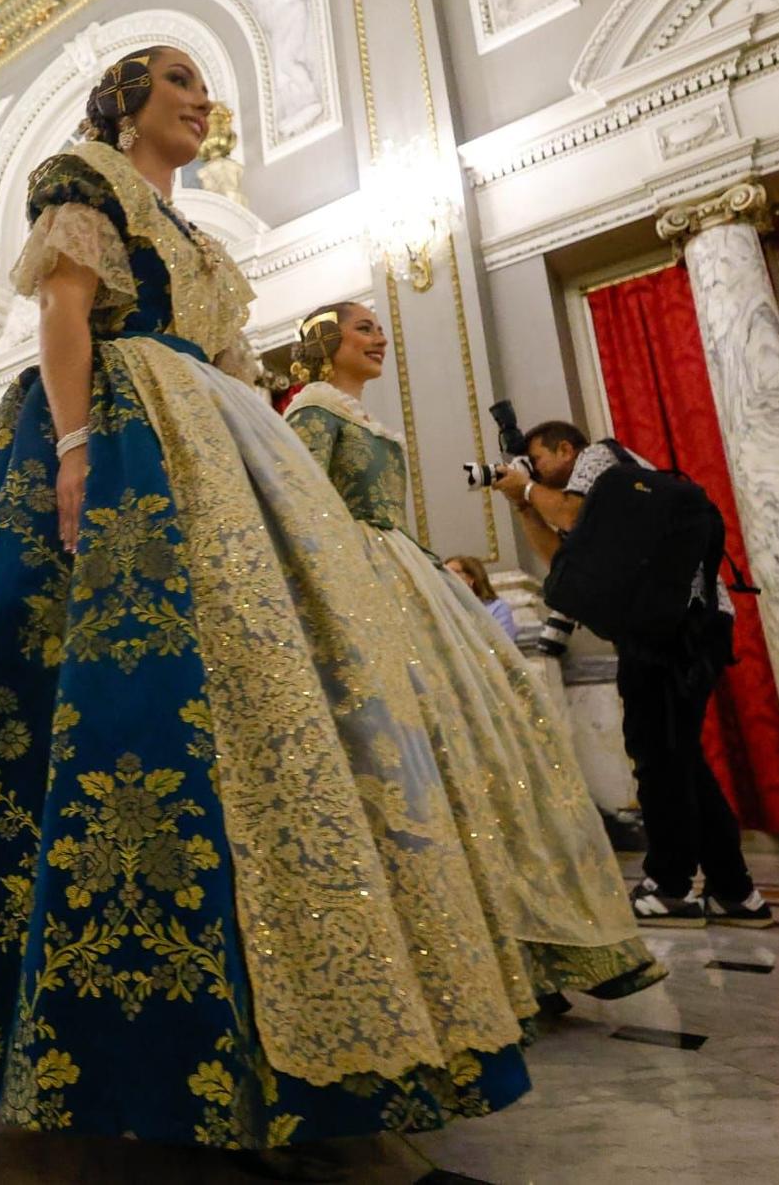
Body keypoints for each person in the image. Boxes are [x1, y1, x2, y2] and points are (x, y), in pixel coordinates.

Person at [0, 46, 532, 1172]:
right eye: (179, 83)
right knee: (90, 703)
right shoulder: (79, 177)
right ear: (126, 100)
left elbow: (241, 377)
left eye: (205, 89)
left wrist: (290, 510)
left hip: (215, 447)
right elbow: (65, 310)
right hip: (113, 424)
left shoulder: (201, 243)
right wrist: (78, 447)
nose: (202, 101)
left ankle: (304, 1016)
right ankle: (80, 1034)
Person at [284, 303, 665, 1008]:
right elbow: (302, 512)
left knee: (490, 748)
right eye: (363, 327)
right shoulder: (310, 413)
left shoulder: (360, 417)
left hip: (407, 577)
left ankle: (538, 938)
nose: (378, 337)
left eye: (378, 326)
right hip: (361, 581)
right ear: (325, 342)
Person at [494, 421, 771, 929]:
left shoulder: (599, 458)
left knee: (657, 756)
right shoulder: (603, 501)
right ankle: (735, 889)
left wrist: (526, 487)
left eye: (539, 459)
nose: (535, 470)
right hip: (675, 625)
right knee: (676, 754)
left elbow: (574, 517)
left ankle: (671, 886)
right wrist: (523, 503)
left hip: (675, 626)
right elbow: (562, 560)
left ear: (565, 448)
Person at [445, 553, 517, 640]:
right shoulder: (445, 607)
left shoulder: (497, 608)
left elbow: (504, 643)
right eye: (444, 573)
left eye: (452, 573)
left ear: (471, 578)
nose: (446, 578)